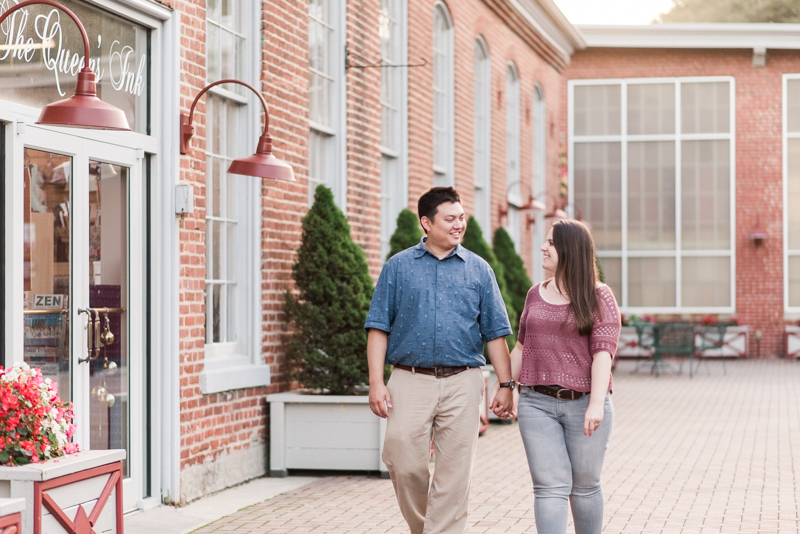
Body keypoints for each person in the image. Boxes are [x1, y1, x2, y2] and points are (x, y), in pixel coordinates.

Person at [366, 186, 516, 534]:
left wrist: (506, 385)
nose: (459, 224)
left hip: (463, 380)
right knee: (402, 461)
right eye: (450, 219)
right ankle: (424, 528)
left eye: (461, 217)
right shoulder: (398, 268)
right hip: (409, 378)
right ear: (426, 223)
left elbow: (496, 333)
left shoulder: (479, 270)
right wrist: (376, 382)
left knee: (454, 473)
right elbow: (377, 328)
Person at [492, 219, 621, 534]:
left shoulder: (599, 297)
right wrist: (505, 387)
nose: (542, 247)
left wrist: (594, 404)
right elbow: (522, 347)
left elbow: (602, 354)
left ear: (570, 250)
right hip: (536, 403)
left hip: (584, 404)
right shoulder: (535, 294)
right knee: (548, 486)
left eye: (550, 242)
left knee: (585, 486)